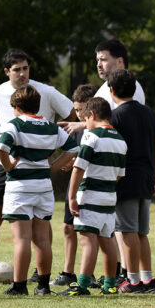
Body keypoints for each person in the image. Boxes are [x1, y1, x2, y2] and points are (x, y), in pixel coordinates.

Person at [0, 49, 74, 281]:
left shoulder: (45, 91)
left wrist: (49, 150)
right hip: (7, 162)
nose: (23, 73)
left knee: (40, 220)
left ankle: (39, 272)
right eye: (17, 69)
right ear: (7, 71)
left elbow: (71, 113)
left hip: (37, 165)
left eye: (26, 68)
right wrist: (6, 145)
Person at [59, 39, 146, 284]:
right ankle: (117, 277)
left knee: (111, 231)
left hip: (111, 176)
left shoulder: (130, 90)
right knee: (112, 231)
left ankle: (116, 277)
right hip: (108, 172)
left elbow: (112, 125)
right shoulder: (105, 88)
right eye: (97, 59)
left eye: (104, 59)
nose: (99, 64)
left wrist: (80, 133)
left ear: (120, 61)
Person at [0, 85, 78, 295]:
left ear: (17, 107)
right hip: (43, 187)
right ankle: (43, 286)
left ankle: (19, 286)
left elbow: (1, 147)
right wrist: (54, 166)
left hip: (20, 188)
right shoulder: (51, 127)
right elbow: (73, 148)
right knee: (42, 239)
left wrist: (8, 166)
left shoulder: (14, 125)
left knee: (21, 239)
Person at [59, 97, 126, 296]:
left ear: (93, 115)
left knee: (88, 241)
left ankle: (82, 285)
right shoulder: (120, 140)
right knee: (107, 241)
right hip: (109, 198)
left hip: (90, 196)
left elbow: (78, 168)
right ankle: (110, 285)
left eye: (85, 118)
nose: (85, 123)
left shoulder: (91, 136)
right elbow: (119, 175)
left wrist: (72, 197)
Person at [108, 69, 155, 294]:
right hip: (146, 176)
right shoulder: (149, 113)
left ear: (112, 91)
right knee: (141, 232)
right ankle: (148, 280)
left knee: (128, 231)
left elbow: (111, 148)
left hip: (125, 178)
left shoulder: (115, 116)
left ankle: (132, 280)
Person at [51, 84, 99, 287]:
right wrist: (70, 162)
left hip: (91, 186)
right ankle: (68, 272)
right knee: (68, 227)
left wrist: (76, 162)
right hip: (75, 184)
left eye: (81, 110)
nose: (78, 115)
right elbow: (77, 152)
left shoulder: (97, 129)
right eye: (76, 110)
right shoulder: (77, 127)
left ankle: (91, 274)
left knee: (90, 232)